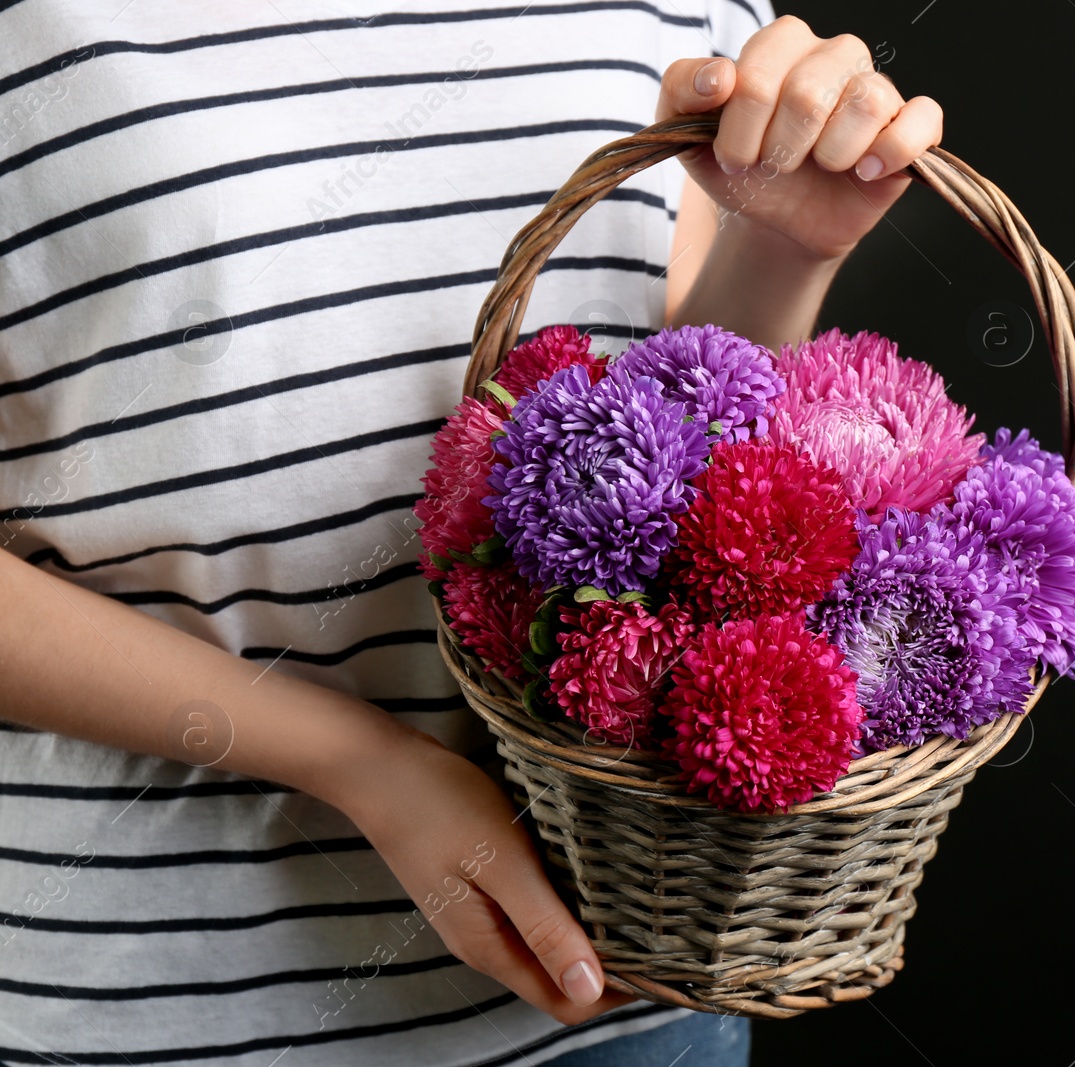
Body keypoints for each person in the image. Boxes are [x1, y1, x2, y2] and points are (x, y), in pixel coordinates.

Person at [0, 2, 943, 1064]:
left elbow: (679, 425)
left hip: (616, 986)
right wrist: (363, 761)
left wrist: (778, 249)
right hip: (169, 997)